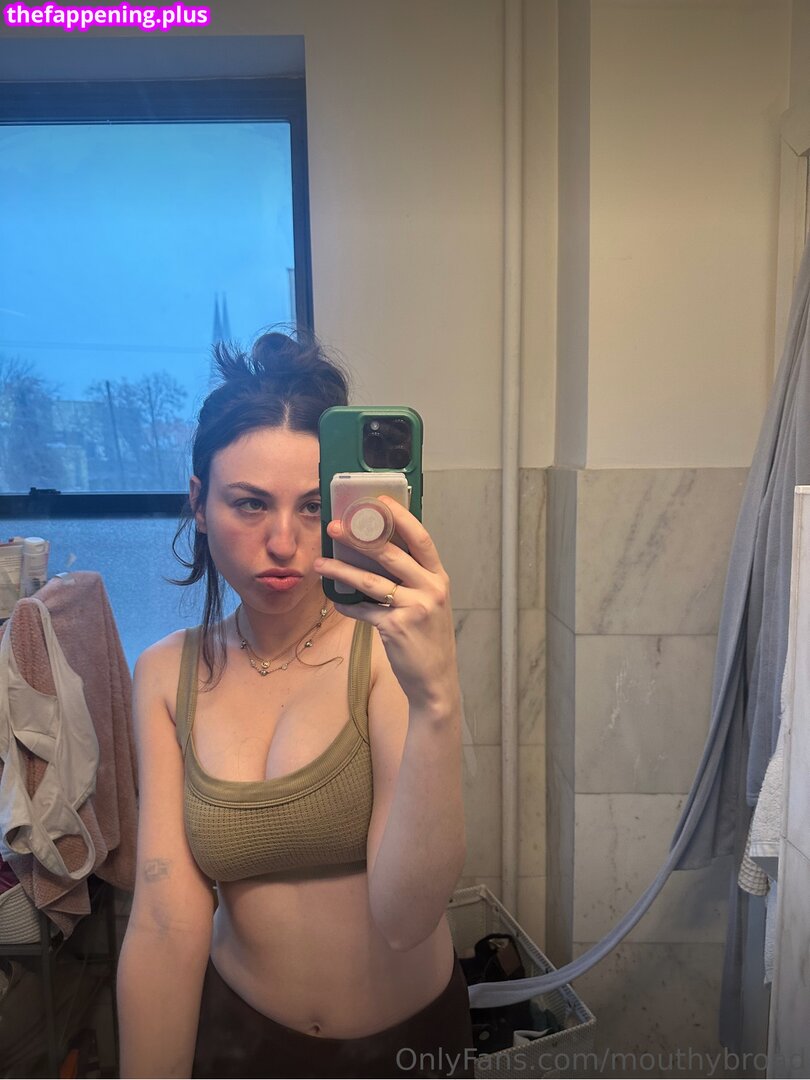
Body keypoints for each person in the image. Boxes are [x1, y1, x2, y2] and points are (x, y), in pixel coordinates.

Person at [116, 331, 474, 1079]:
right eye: (250, 504)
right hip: (240, 1043)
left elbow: (407, 919)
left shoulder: (389, 655)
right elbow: (164, 921)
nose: (283, 542)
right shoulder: (164, 674)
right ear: (200, 504)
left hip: (408, 1051)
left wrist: (438, 700)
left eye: (313, 507)